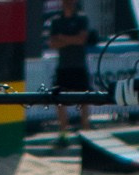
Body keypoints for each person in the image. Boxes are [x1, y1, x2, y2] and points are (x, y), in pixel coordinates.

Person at [44, 0, 93, 144]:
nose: (68, 3)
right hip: (63, 66)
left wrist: (63, 38)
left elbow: (81, 39)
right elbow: (53, 43)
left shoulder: (81, 18)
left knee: (84, 98)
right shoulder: (56, 21)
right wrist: (72, 39)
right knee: (60, 99)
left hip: (78, 65)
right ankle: (63, 131)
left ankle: (86, 130)